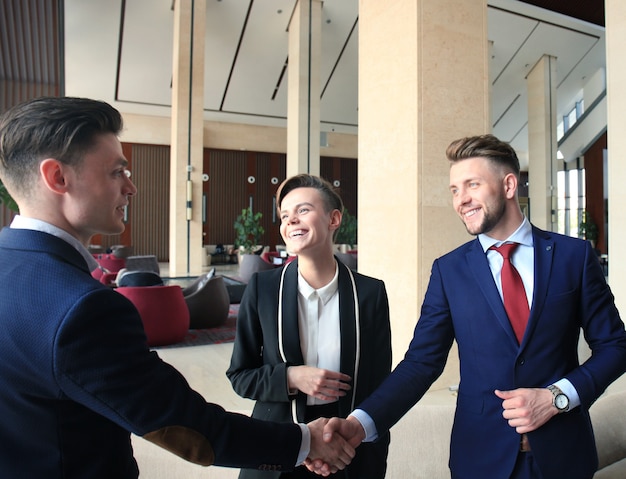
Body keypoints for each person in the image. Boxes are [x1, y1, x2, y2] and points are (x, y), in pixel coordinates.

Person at [0, 97, 355, 478]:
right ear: (58, 177)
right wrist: (306, 442)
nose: (131, 187)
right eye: (117, 172)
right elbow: (183, 424)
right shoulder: (82, 308)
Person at [318, 134, 626, 479]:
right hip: (479, 460)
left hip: (565, 456)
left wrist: (557, 397)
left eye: (472, 185)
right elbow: (421, 363)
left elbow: (615, 346)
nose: (461, 199)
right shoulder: (449, 271)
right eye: (454, 190)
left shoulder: (574, 256)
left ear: (508, 184)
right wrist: (359, 424)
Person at [227, 174, 392, 478]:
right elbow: (240, 376)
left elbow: (380, 384)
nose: (291, 220)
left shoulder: (369, 294)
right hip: (279, 447)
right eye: (285, 215)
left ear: (334, 219)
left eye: (302, 210)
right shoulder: (263, 289)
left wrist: (347, 436)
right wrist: (290, 377)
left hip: (348, 449)